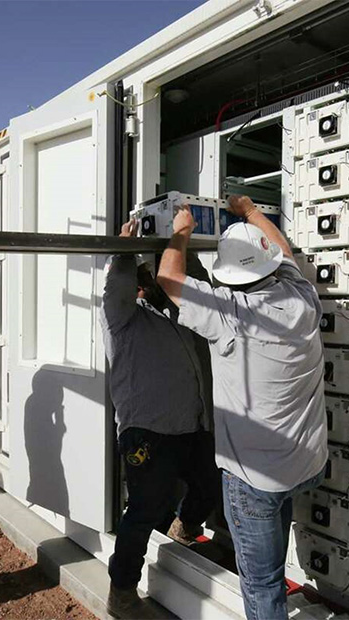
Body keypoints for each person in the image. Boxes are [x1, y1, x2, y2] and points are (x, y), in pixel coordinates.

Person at [156, 196, 328, 620]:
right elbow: (283, 254)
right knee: (271, 552)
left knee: (262, 582)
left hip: (253, 479)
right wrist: (251, 212)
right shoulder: (302, 297)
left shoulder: (228, 314)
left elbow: (167, 276)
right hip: (302, 466)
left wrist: (180, 229)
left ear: (228, 277)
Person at [101, 218, 221, 618]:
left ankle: (184, 529)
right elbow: (117, 285)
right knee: (144, 510)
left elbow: (200, 287)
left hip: (192, 425)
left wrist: (181, 245)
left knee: (210, 486)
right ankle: (121, 591)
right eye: (143, 278)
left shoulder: (176, 316)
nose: (149, 283)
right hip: (147, 433)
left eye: (152, 277)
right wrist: (124, 252)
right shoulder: (122, 318)